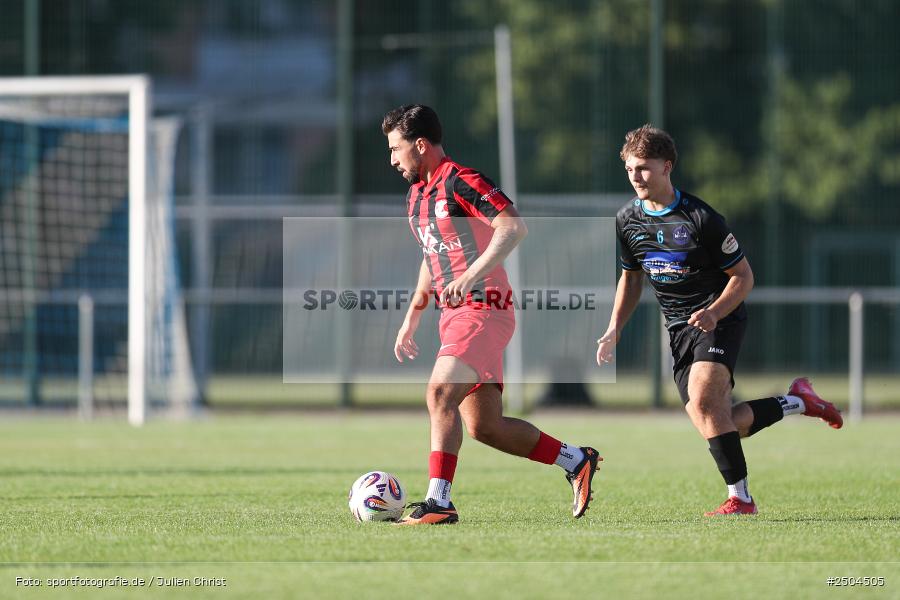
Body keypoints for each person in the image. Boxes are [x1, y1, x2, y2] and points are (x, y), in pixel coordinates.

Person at [597, 124, 843, 516]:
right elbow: (631, 278)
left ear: (667, 166)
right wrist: (614, 327)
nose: (636, 177)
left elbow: (743, 277)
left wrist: (713, 312)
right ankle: (799, 401)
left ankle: (741, 499)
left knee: (707, 403)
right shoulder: (627, 219)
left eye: (644, 168)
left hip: (719, 317)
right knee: (722, 421)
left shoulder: (701, 218)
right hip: (678, 329)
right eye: (630, 169)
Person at [383, 104, 600, 525]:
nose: (392, 159)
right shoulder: (415, 196)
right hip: (453, 314)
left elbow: (512, 227)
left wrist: (473, 275)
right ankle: (576, 460)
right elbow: (432, 257)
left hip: (484, 308)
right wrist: (412, 315)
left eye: (396, 149)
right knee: (486, 426)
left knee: (439, 393)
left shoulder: (463, 181)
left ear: (420, 145)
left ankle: (439, 502)